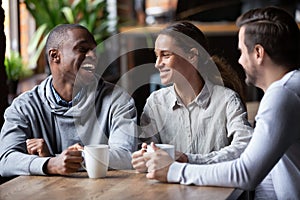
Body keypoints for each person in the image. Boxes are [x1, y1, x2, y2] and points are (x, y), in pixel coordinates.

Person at [144, 6, 300, 199]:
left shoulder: (283, 94)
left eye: (242, 52)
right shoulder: (288, 89)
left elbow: (246, 173)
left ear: (258, 53)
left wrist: (175, 170)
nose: (240, 61)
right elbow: (266, 181)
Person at [0, 24, 138, 177]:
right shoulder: (23, 107)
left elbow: (126, 156)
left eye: (94, 50)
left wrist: (62, 159)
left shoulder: (118, 100)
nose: (93, 56)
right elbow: (5, 161)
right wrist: (50, 164)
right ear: (55, 56)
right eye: (83, 49)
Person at [131, 21, 253, 173]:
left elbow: (245, 147)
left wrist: (189, 160)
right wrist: (143, 158)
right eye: (157, 56)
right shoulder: (155, 102)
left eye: (166, 55)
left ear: (192, 55)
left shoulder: (227, 101)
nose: (157, 64)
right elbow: (145, 149)